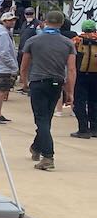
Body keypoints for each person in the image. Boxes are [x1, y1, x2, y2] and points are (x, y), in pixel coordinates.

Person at [20, 10, 78, 171]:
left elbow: (24, 66)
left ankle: (48, 156)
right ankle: (37, 147)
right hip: (56, 84)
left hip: (38, 82)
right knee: (46, 119)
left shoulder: (33, 40)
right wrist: (70, 92)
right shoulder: (68, 43)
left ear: (44, 21)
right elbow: (71, 70)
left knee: (41, 119)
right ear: (61, 23)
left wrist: (24, 83)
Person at [0, 11, 18, 124]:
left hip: (3, 66)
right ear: (3, 21)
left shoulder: (4, 33)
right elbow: (4, 53)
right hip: (4, 67)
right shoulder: (3, 35)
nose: (12, 22)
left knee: (3, 90)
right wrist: (13, 66)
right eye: (10, 20)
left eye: (13, 20)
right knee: (0, 91)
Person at [72, 18, 97, 138]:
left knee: (80, 102)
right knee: (94, 102)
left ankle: (83, 129)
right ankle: (95, 128)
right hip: (96, 76)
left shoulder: (77, 40)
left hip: (80, 75)